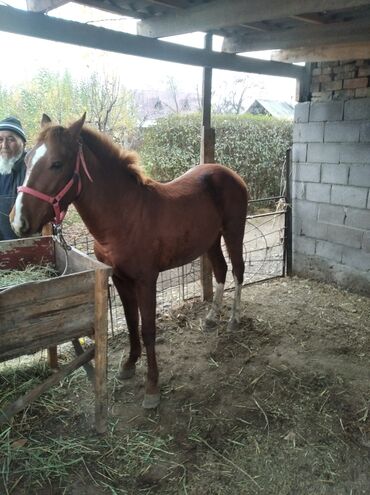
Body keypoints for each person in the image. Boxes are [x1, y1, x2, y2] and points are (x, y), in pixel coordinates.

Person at [0, 116, 27, 240]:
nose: (4, 145)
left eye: (11, 139)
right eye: (0, 140)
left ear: (23, 142)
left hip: (30, 244)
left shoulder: (33, 169)